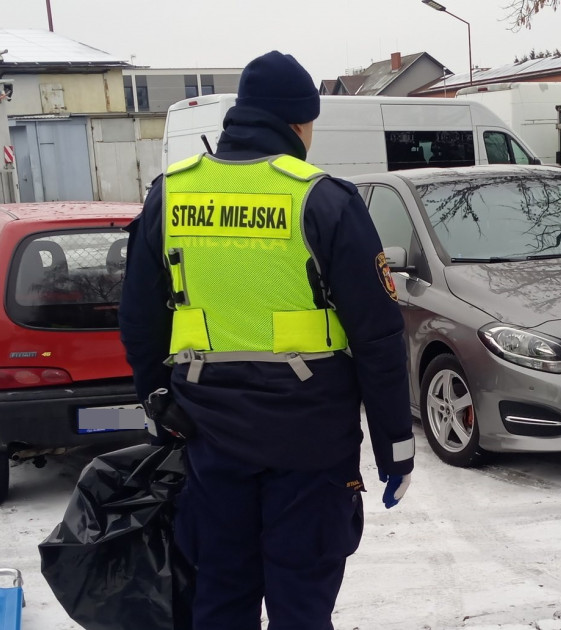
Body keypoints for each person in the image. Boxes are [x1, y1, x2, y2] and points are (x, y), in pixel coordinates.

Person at [118, 50, 415, 630]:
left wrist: (157, 399)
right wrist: (395, 447)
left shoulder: (170, 195)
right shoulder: (325, 198)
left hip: (210, 437)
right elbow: (378, 336)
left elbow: (138, 317)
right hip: (311, 441)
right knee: (301, 602)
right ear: (298, 124)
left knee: (221, 593)